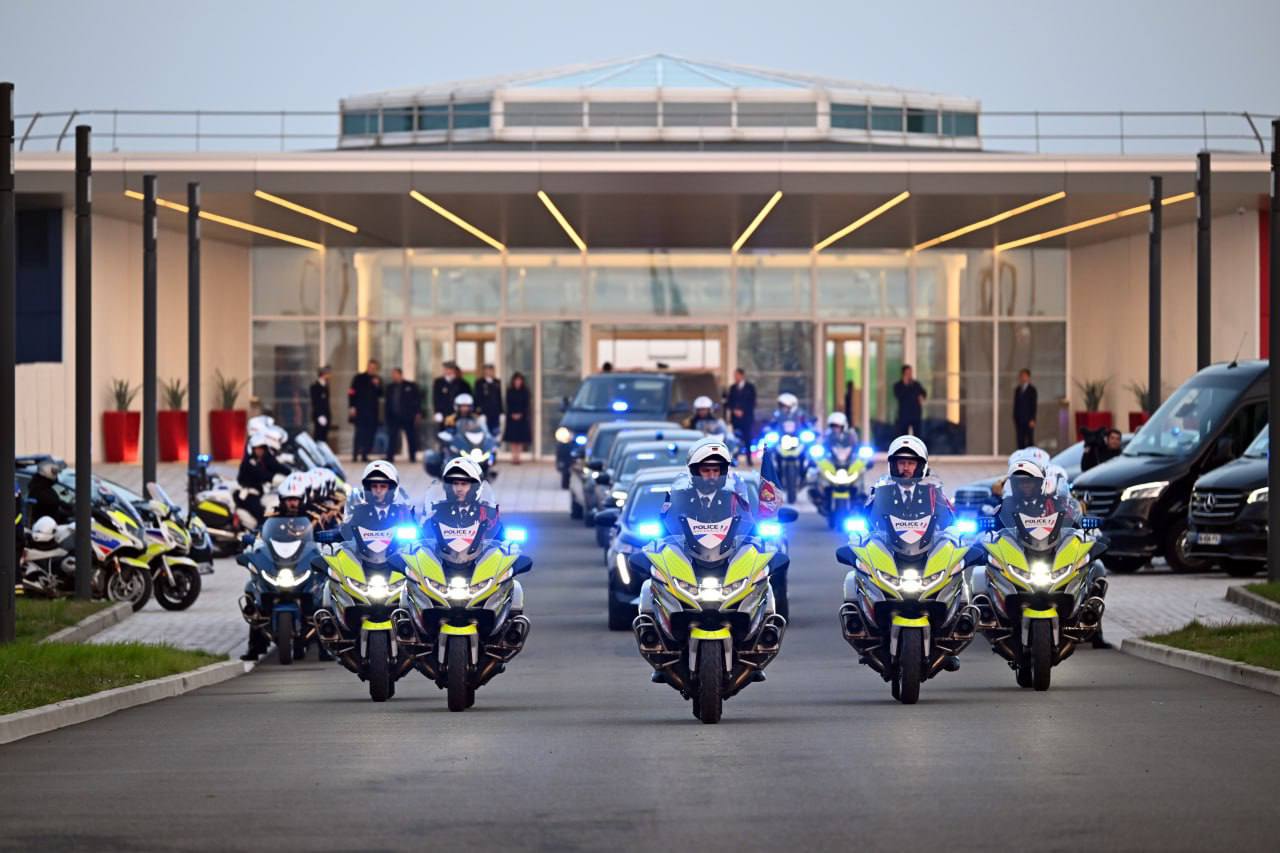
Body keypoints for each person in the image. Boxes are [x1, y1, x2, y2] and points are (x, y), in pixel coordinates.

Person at [237, 434, 290, 524]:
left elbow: (276, 466)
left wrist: (291, 473)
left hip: (262, 492)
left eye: (262, 448)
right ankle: (261, 528)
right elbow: (261, 474)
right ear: (252, 449)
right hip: (249, 493)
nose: (260, 451)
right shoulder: (249, 462)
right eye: (257, 448)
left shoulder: (263, 459)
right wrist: (276, 478)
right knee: (261, 513)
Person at [385, 367, 423, 464]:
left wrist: (417, 413)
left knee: (411, 437)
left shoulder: (411, 386)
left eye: (395, 374)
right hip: (394, 416)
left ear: (400, 374)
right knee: (392, 437)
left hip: (408, 416)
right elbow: (387, 403)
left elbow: (417, 400)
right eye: (393, 374)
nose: (393, 376)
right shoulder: (390, 387)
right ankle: (390, 457)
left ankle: (412, 457)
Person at [348, 359, 383, 463]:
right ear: (367, 367)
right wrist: (352, 407)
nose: (372, 369)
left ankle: (365, 454)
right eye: (370, 367)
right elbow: (351, 392)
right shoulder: (358, 378)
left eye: (374, 368)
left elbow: (381, 394)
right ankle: (355, 455)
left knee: (370, 434)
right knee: (359, 433)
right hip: (360, 410)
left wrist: (377, 385)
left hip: (372, 412)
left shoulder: (378, 379)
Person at [726, 368, 756, 467]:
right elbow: (729, 402)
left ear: (742, 375)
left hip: (746, 418)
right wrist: (734, 410)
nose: (735, 377)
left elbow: (752, 402)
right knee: (735, 439)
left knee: (747, 438)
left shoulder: (750, 388)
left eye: (737, 375)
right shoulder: (732, 388)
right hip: (736, 419)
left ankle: (749, 459)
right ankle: (735, 458)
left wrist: (743, 411)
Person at [431, 361, 472, 434]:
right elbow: (436, 398)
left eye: (450, 369)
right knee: (444, 434)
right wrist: (437, 411)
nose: (448, 371)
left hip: (458, 414)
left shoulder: (463, 384)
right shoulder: (439, 382)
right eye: (446, 369)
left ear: (454, 370)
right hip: (444, 413)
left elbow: (468, 398)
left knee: (459, 433)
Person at [26, 460, 69, 525]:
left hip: (45, 524)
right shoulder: (41, 490)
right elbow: (54, 504)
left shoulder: (39, 486)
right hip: (46, 527)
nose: (56, 476)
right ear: (48, 472)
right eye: (55, 473)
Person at [503, 372, 532, 465]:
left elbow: (526, 405)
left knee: (520, 439)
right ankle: (513, 457)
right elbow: (507, 404)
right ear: (513, 381)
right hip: (511, 417)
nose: (518, 382)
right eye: (516, 380)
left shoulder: (525, 391)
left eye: (519, 380)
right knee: (513, 439)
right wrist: (512, 414)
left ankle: (518, 457)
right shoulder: (510, 391)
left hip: (522, 418)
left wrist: (521, 414)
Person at [893, 365, 927, 438]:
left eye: (910, 373)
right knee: (904, 436)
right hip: (904, 415)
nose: (909, 375)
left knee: (917, 436)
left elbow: (923, 392)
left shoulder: (916, 384)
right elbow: (898, 395)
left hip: (916, 414)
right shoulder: (898, 385)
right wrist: (905, 385)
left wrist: (922, 396)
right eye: (908, 373)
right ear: (903, 374)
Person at [474, 363, 504, 435]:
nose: (488, 372)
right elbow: (477, 397)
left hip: (495, 412)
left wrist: (501, 411)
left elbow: (500, 398)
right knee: (484, 432)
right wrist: (478, 411)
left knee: (495, 432)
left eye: (490, 370)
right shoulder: (479, 383)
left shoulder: (497, 382)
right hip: (484, 412)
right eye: (487, 370)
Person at [1013, 368, 1038, 450]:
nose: (1023, 378)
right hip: (1019, 419)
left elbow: (1033, 405)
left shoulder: (1032, 390)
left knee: (1029, 439)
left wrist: (1033, 419)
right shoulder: (1018, 390)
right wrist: (1015, 416)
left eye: (1024, 376)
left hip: (1029, 420)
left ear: (1028, 377)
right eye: (1021, 376)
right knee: (1020, 439)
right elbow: (1016, 405)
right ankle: (1021, 456)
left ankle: (1030, 456)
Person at [310, 366, 332, 444]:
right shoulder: (315, 387)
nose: (330, 375)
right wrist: (320, 415)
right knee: (319, 436)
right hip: (319, 415)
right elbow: (316, 402)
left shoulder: (326, 386)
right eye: (328, 373)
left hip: (326, 414)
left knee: (324, 437)